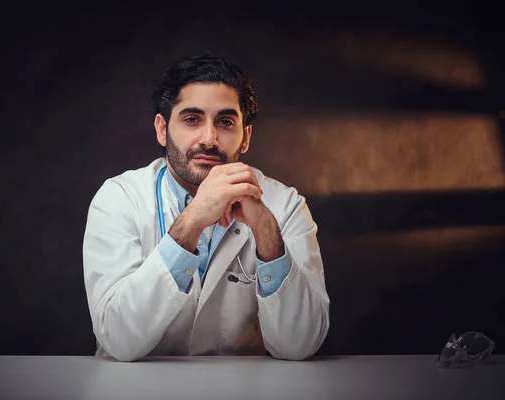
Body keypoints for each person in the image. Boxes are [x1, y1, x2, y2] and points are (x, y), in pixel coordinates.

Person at [82, 53, 329, 362]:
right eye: (192, 119)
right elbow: (118, 340)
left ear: (246, 136)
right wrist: (194, 218)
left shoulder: (285, 205)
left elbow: (300, 346)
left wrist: (266, 231)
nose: (210, 138)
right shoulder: (119, 198)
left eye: (225, 122)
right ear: (162, 129)